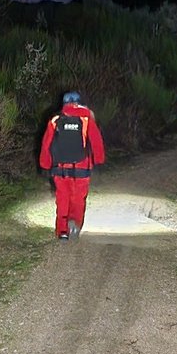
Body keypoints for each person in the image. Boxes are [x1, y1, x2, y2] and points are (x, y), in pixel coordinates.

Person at [39, 91, 106, 241]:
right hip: (82, 167)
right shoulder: (87, 119)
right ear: (79, 103)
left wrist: (45, 163)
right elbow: (96, 142)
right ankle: (75, 224)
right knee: (78, 199)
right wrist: (99, 160)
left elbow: (46, 144)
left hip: (60, 168)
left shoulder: (55, 120)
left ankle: (62, 231)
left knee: (62, 199)